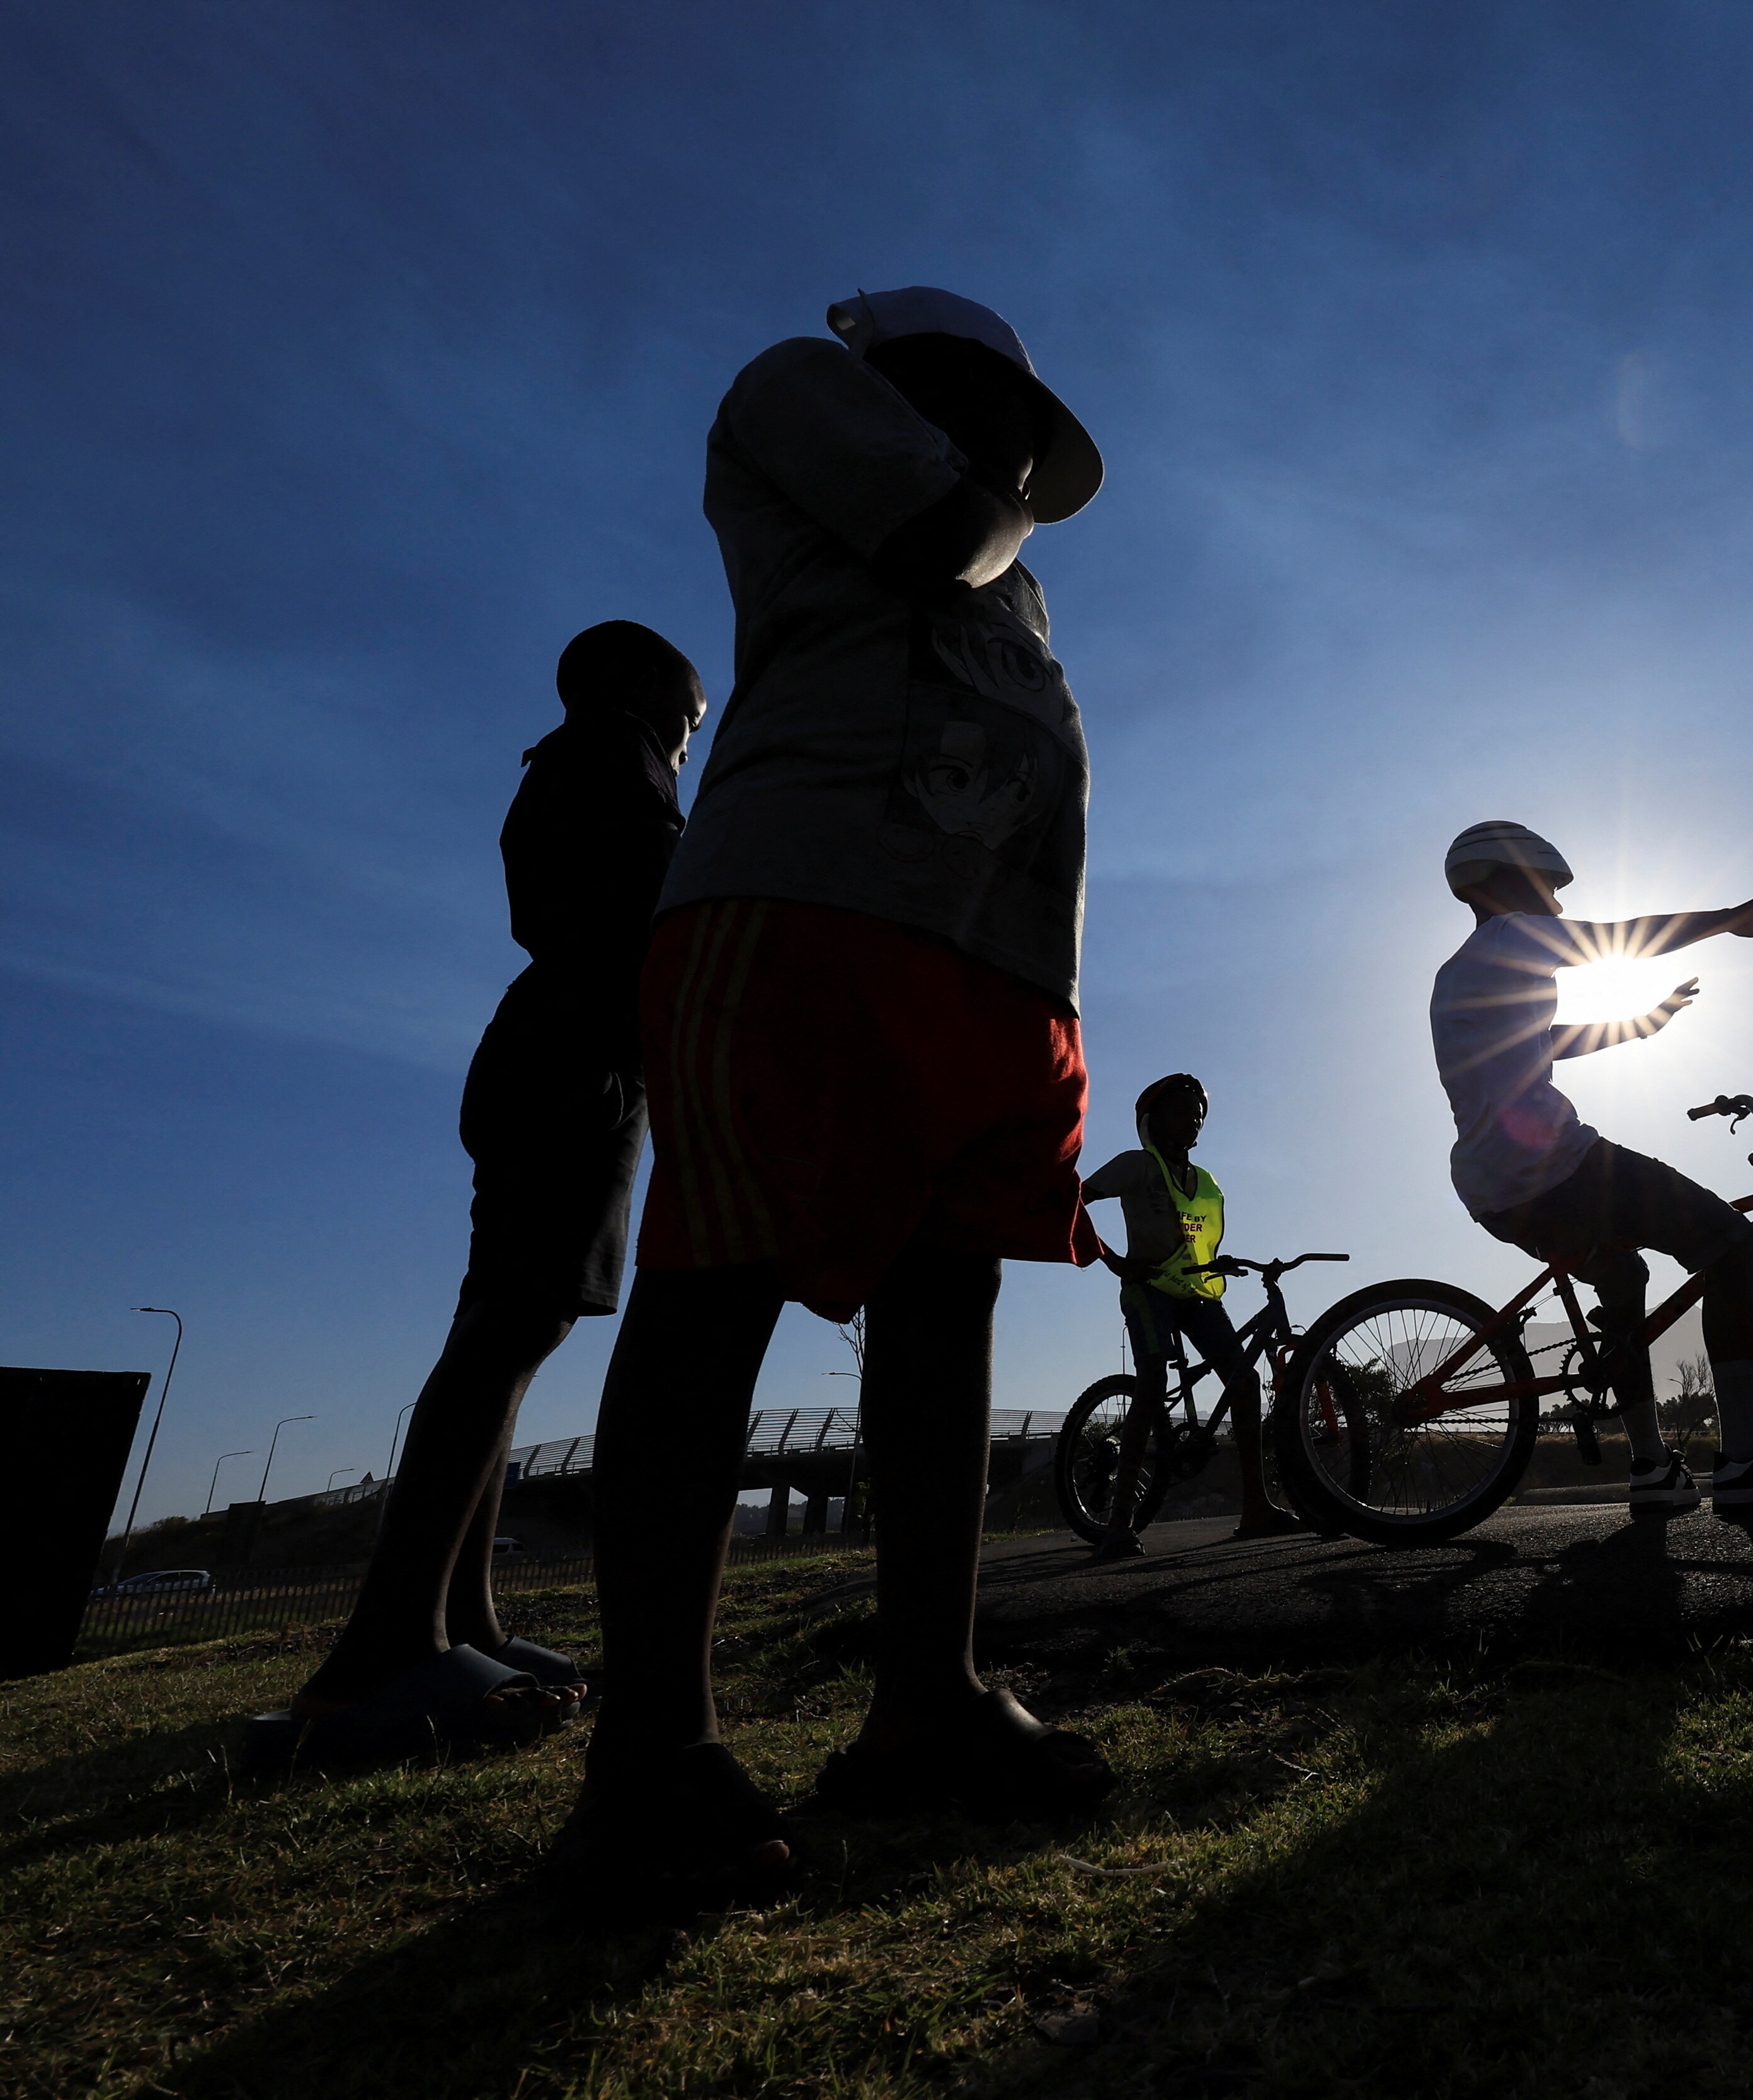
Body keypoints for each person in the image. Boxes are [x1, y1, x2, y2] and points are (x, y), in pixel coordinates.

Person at [556, 287, 1115, 1901]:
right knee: (715, 1286)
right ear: (922, 377)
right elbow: (945, 523)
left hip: (996, 964)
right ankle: (650, 1756)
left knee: (945, 1306)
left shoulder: (1025, 588)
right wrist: (994, 488)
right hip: (803, 907)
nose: (1021, 456)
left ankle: (923, 1704)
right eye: (1007, 415)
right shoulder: (806, 392)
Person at [251, 623, 702, 1768]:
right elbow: (646, 918)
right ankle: (388, 1642)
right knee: (507, 1324)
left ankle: (461, 1615)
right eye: (691, 719)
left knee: (513, 1324)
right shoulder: (615, 756)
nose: (691, 744)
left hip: (559, 1060)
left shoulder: (574, 763)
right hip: (575, 1068)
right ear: (648, 688)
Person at [1430, 821, 1753, 1514]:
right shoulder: (1508, 937)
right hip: (1553, 1166)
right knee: (1728, 1242)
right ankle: (1746, 1459)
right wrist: (1725, 920)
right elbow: (1617, 937)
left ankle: (1652, 1468)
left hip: (1490, 1187)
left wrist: (1638, 1024)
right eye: (1549, 889)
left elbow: (1540, 1045)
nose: (1559, 906)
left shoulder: (1463, 972)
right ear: (1501, 882)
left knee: (1624, 1277)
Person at [1080, 1072, 1299, 1551]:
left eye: (1199, 1110)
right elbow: (1075, 1200)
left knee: (1244, 1382)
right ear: (1151, 1121)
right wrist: (1115, 1260)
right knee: (1153, 1383)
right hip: (1148, 1290)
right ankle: (1119, 1523)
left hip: (1196, 1291)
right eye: (1182, 1108)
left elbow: (1192, 1236)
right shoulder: (1137, 1165)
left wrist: (1219, 1262)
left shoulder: (1207, 1183)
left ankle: (1257, 1507)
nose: (1194, 1116)